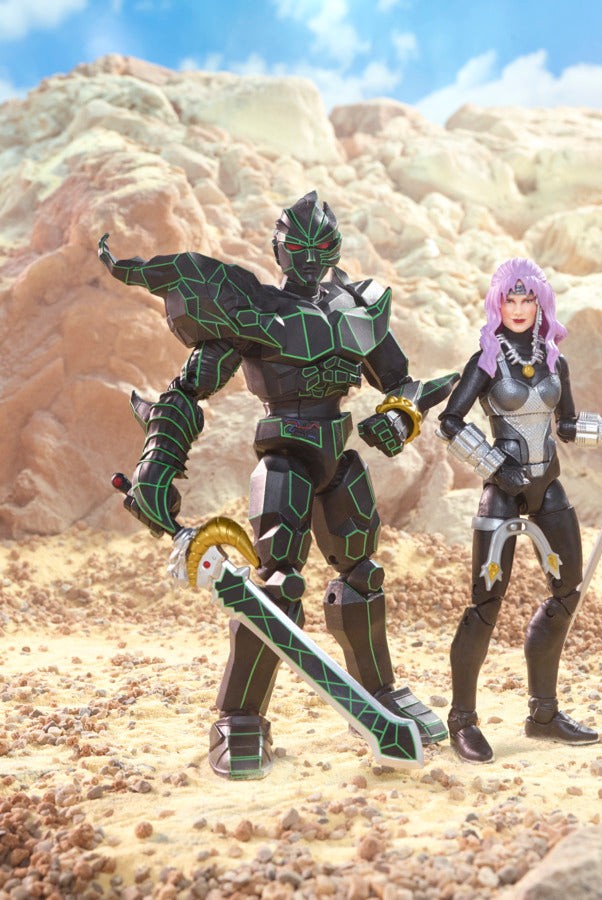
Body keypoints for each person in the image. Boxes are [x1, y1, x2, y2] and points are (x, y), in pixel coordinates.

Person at [99, 191, 455, 778]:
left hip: (338, 455)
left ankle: (378, 695)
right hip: (285, 455)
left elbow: (404, 382)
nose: (311, 259)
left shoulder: (359, 308)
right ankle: (239, 718)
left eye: (322, 248)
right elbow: (188, 390)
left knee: (363, 577)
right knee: (276, 587)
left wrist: (401, 416)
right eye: (299, 248)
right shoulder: (251, 308)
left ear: (335, 249)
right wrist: (158, 463)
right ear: (279, 249)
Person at [437, 257, 602, 763]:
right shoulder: (486, 361)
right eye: (510, 300)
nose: (518, 309)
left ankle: (543, 714)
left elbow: (568, 426)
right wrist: (496, 465)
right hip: (502, 492)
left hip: (548, 489)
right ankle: (462, 720)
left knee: (567, 592)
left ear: (540, 304)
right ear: (497, 305)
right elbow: (450, 422)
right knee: (485, 605)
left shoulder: (555, 361)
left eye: (527, 300)